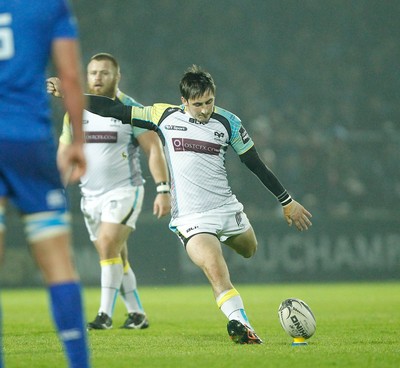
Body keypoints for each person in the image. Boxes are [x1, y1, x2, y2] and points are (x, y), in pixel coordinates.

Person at [88, 64, 313, 344]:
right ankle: (241, 324)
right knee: (215, 267)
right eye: (198, 104)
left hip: (227, 208)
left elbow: (255, 164)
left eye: (209, 102)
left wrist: (286, 201)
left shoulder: (228, 122)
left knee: (249, 249)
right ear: (184, 102)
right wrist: (71, 94)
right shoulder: (164, 115)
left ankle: (239, 316)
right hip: (192, 219)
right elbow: (114, 110)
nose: (205, 109)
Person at [49, 53, 171, 330]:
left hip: (125, 191)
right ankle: (137, 314)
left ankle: (104, 314)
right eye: (92, 73)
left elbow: (153, 147)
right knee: (116, 256)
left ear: (117, 77)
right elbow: (66, 152)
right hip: (90, 196)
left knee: (106, 245)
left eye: (104, 73)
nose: (97, 78)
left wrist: (163, 189)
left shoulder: (131, 109)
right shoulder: (75, 113)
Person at [0, 1, 90, 367]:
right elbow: (68, 76)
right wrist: (78, 141)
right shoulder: (48, 5)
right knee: (57, 263)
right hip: (29, 140)